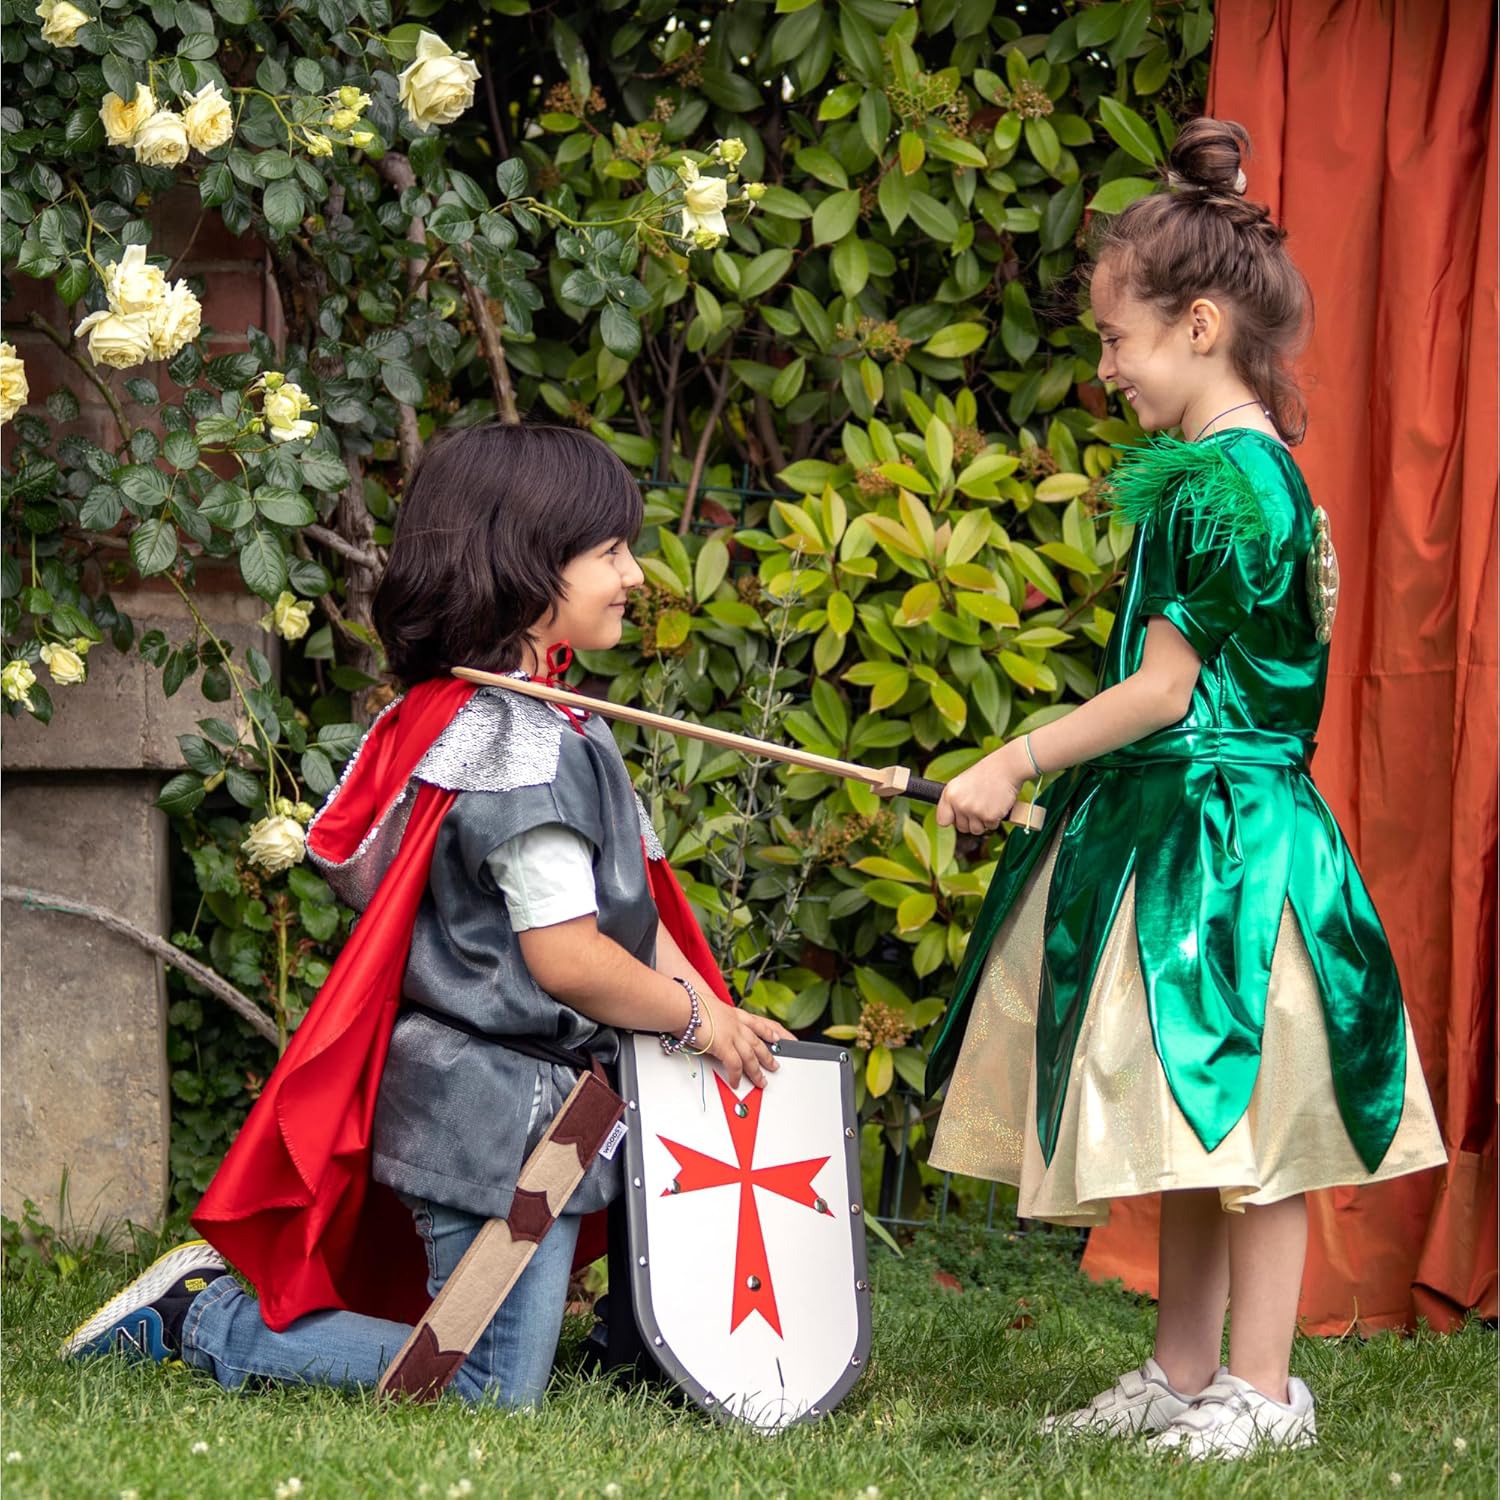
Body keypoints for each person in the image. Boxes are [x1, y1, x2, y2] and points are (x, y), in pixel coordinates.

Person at [62, 422, 791, 1406]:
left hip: (531, 1112)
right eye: (611, 551)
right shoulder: (518, 749)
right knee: (487, 1388)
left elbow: (631, 917)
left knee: (491, 1369)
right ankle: (206, 1316)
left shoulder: (543, 724)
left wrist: (716, 1009)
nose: (635, 574)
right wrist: (695, 1019)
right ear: (527, 564)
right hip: (488, 1116)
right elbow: (569, 958)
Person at [926, 119, 1445, 1459]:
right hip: (1206, 828)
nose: (1105, 370)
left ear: (1200, 326)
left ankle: (1262, 1393)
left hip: (1229, 843)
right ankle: (1183, 1371)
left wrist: (1012, 757)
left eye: (1117, 341)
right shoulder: (1244, 472)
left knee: (1249, 1123)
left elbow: (1165, 692)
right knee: (1202, 1115)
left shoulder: (1222, 484)